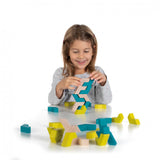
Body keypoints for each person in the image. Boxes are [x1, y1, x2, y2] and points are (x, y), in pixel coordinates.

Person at [48, 24, 112, 106]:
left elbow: (105, 101)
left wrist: (103, 82)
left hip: (91, 118)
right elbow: (52, 101)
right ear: (67, 51)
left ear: (93, 50)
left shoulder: (97, 72)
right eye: (75, 51)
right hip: (67, 117)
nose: (81, 56)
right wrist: (59, 87)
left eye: (86, 51)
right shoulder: (61, 73)